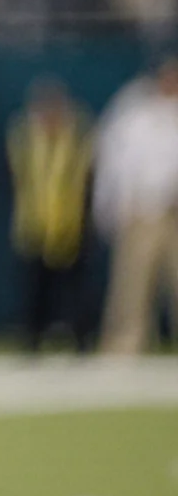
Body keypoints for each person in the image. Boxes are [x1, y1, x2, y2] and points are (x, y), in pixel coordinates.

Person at [94, 55, 178, 355]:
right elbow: (116, 165)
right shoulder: (135, 115)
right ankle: (123, 350)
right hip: (142, 212)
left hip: (174, 214)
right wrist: (108, 207)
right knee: (131, 289)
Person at [6, 77, 95, 353]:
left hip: (71, 225)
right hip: (36, 224)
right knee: (36, 292)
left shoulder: (78, 136)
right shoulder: (26, 137)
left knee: (74, 292)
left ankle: (81, 343)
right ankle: (32, 343)